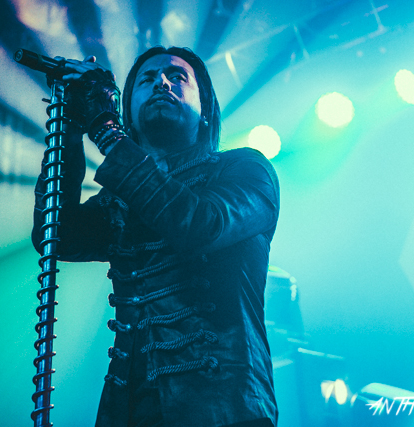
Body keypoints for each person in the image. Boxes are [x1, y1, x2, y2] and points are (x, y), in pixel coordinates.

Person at [32, 46, 280, 427]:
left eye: (177, 77)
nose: (161, 82)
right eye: (147, 79)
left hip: (225, 408)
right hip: (128, 410)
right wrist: (72, 126)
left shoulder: (246, 170)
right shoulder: (119, 201)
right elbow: (57, 235)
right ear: (129, 112)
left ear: (206, 110)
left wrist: (107, 130)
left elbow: (200, 225)